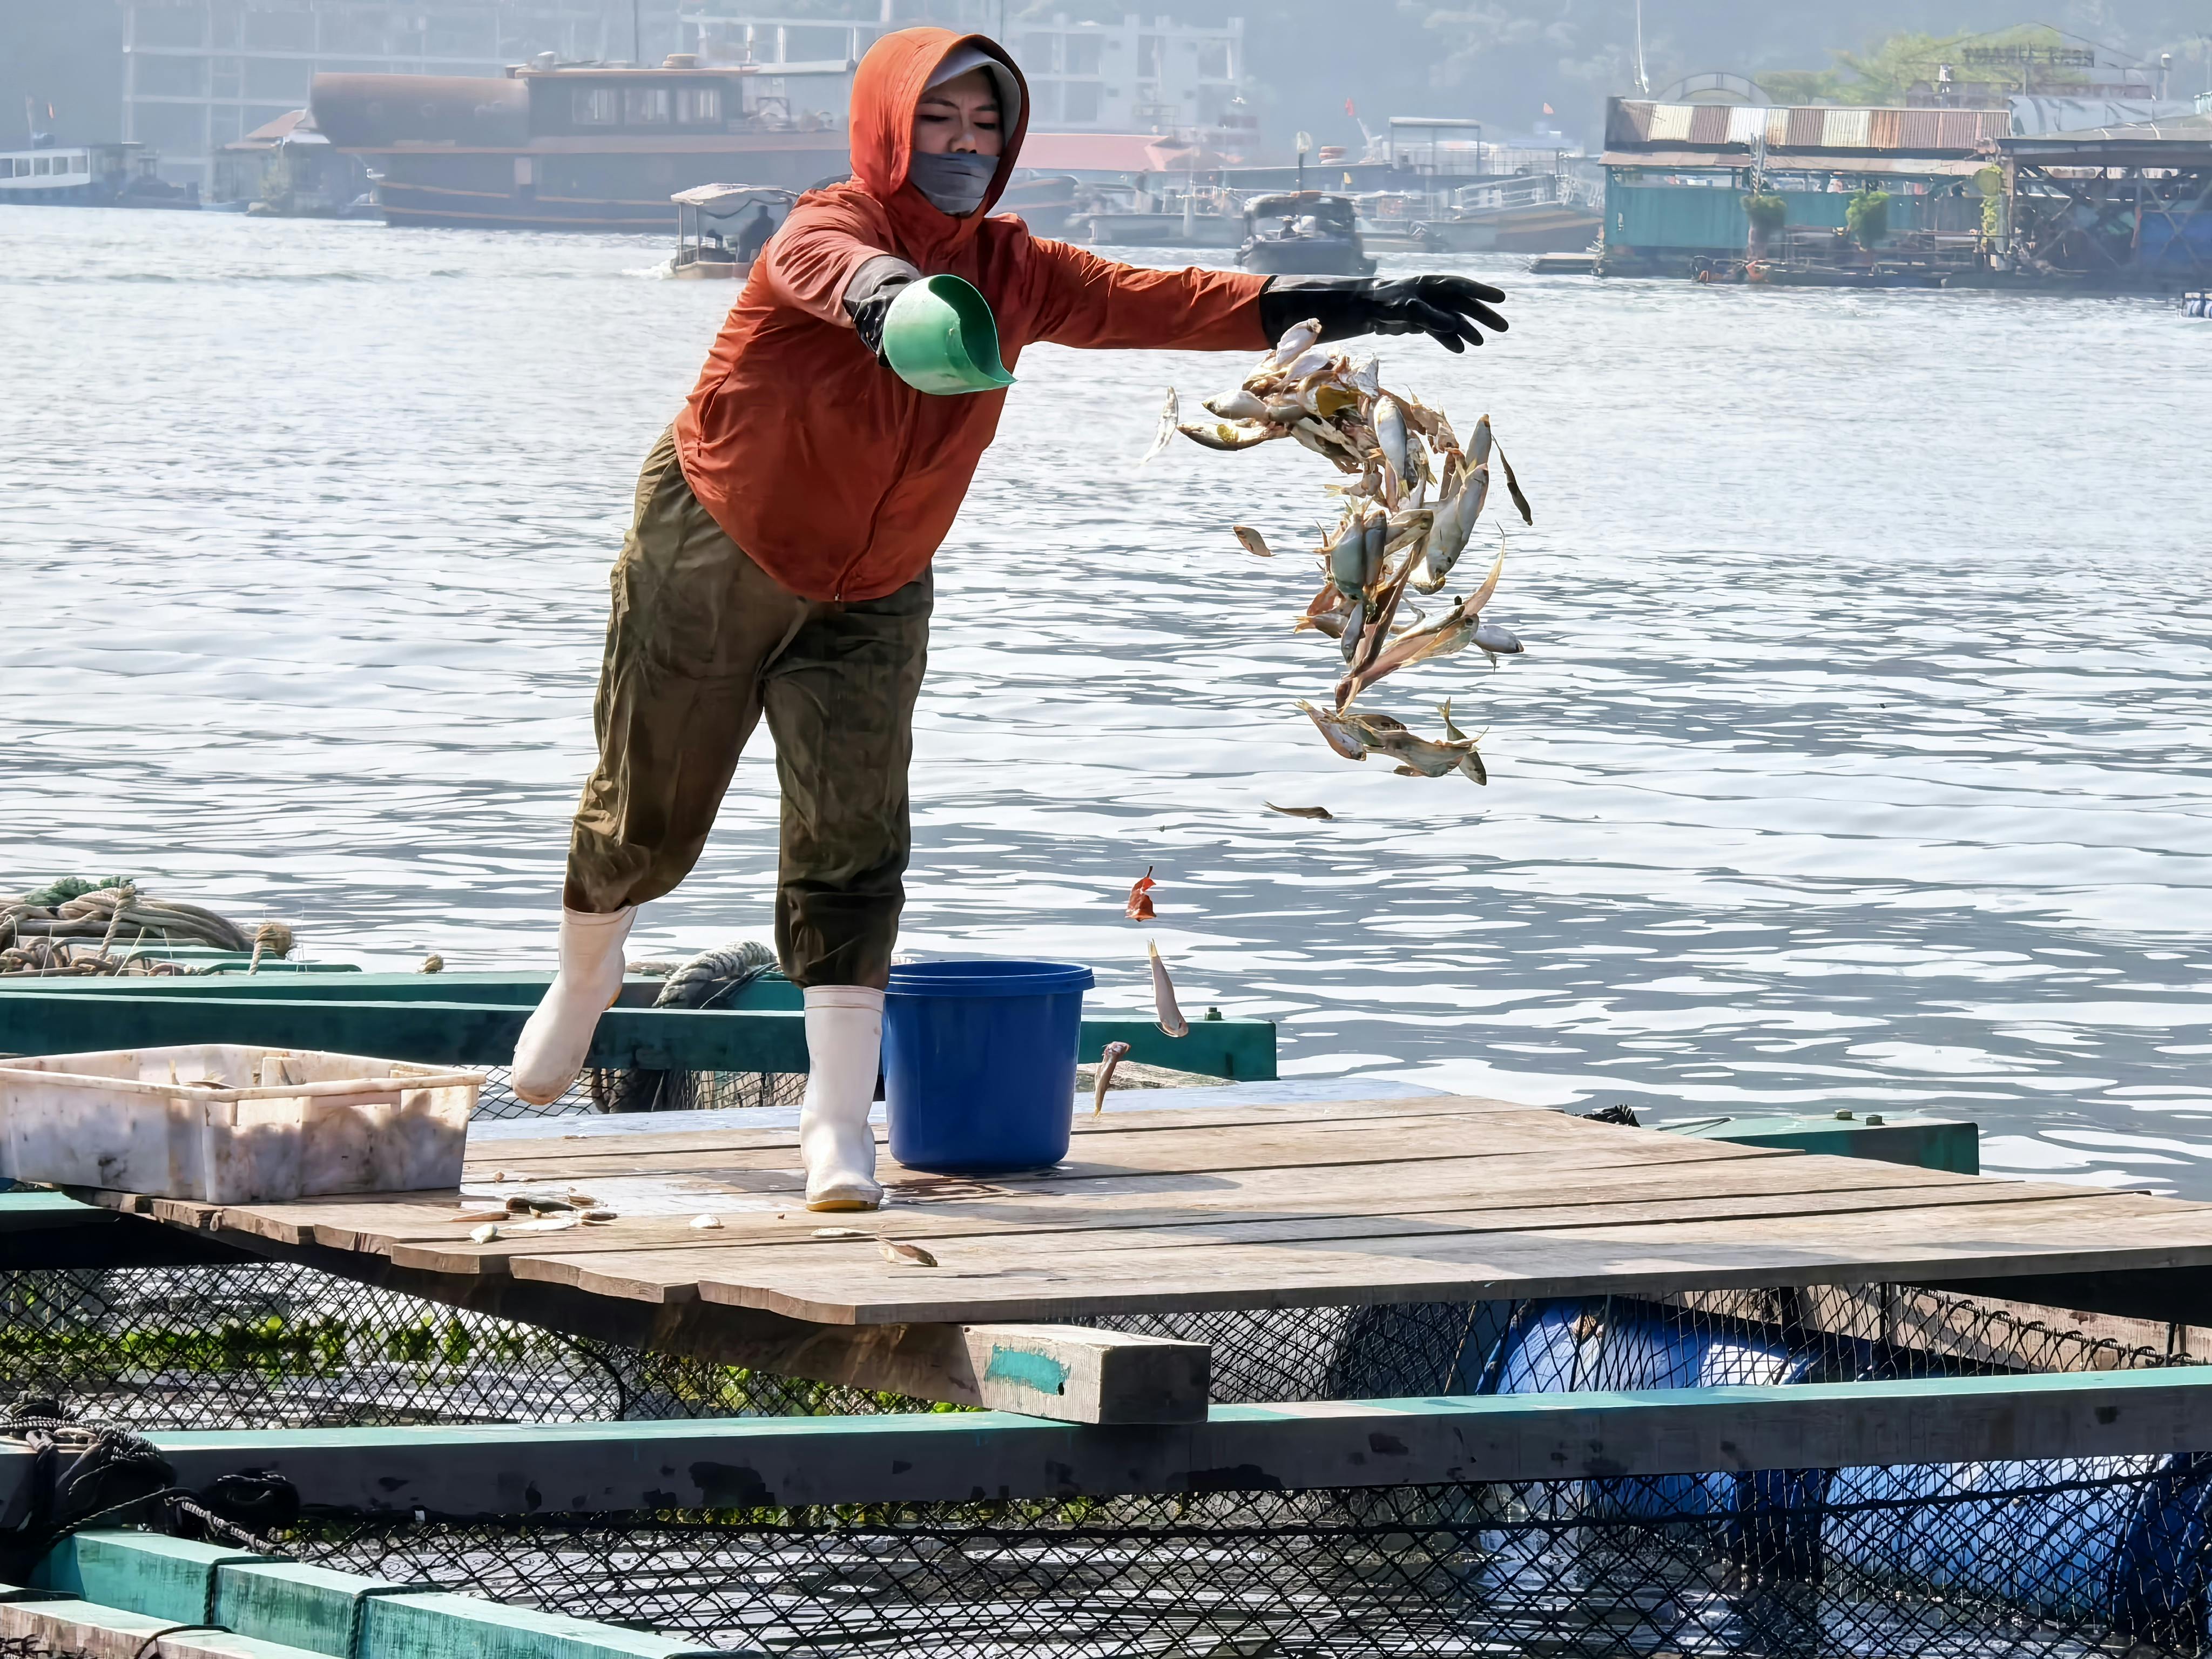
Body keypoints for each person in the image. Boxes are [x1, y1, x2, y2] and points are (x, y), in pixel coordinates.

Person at [509, 27, 1510, 1211]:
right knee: (651, 811)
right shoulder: (818, 228)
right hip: (717, 541)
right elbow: (845, 277)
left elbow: (1165, 299)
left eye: (984, 127)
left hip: (877, 581)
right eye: (937, 124)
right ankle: (584, 975)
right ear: (887, 129)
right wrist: (897, 307)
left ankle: (836, 1129)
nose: (962, 147)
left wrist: (1359, 301)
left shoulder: (1014, 267)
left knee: (854, 840)